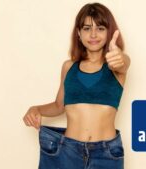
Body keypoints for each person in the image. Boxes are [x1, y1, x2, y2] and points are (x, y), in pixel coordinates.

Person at [23, 2, 130, 169]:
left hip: (106, 154)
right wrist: (36, 109)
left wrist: (119, 57)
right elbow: (59, 105)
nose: (93, 34)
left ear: (109, 33)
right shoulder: (68, 67)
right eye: (87, 28)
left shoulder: (117, 67)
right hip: (66, 152)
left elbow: (123, 63)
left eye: (100, 28)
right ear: (78, 33)